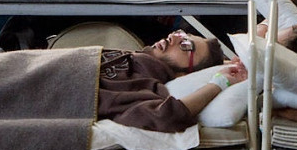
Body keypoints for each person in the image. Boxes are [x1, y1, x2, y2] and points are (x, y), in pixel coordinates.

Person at [100, 29, 249, 131]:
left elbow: (165, 116)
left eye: (185, 45)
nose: (173, 37)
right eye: (181, 34)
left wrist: (218, 83)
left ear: (183, 75)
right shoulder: (130, 59)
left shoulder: (142, 84)